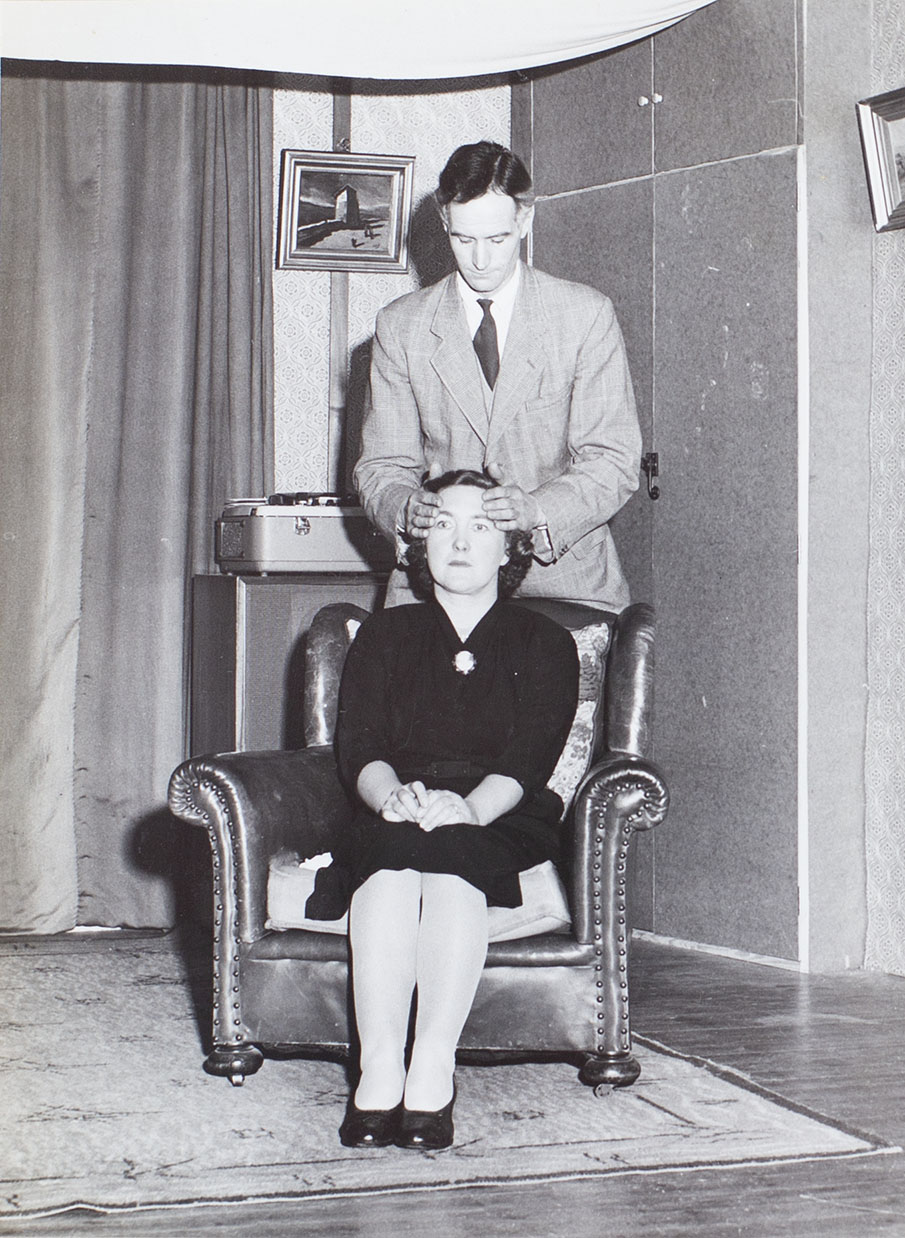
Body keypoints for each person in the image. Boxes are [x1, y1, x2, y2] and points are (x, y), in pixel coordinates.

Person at [306, 470, 580, 1150]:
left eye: (480, 526)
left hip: (498, 809)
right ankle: (377, 1072)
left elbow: (528, 760)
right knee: (391, 867)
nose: (459, 542)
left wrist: (469, 808)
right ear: (421, 544)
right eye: (443, 526)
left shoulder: (544, 642)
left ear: (509, 549)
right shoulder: (384, 635)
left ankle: (431, 1068)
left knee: (453, 863)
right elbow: (358, 747)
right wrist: (390, 796)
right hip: (397, 801)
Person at [354, 139, 642, 612]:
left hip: (564, 583)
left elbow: (613, 459)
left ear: (524, 220)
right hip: (436, 586)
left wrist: (539, 511)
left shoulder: (585, 316)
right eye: (463, 240)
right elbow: (381, 467)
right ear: (444, 220)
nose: (481, 261)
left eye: (497, 239)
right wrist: (405, 506)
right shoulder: (400, 326)